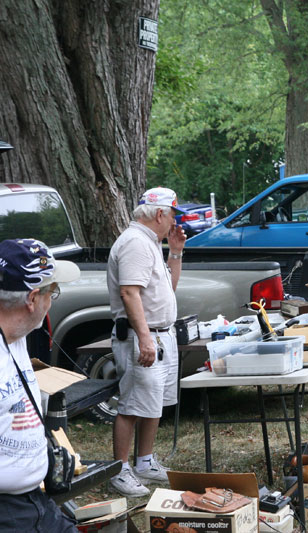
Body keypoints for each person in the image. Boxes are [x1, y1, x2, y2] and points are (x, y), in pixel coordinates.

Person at [107, 187, 187, 496]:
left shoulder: (151, 243)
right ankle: (120, 469)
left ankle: (144, 462)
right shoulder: (136, 244)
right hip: (144, 336)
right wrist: (144, 339)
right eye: (172, 216)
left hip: (160, 334)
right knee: (132, 404)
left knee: (153, 403)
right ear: (159, 214)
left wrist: (176, 252)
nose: (173, 223)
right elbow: (130, 293)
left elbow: (168, 288)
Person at [0, 238, 80, 531]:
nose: (52, 299)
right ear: (32, 299)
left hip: (36, 502)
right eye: (53, 291)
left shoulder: (17, 334)